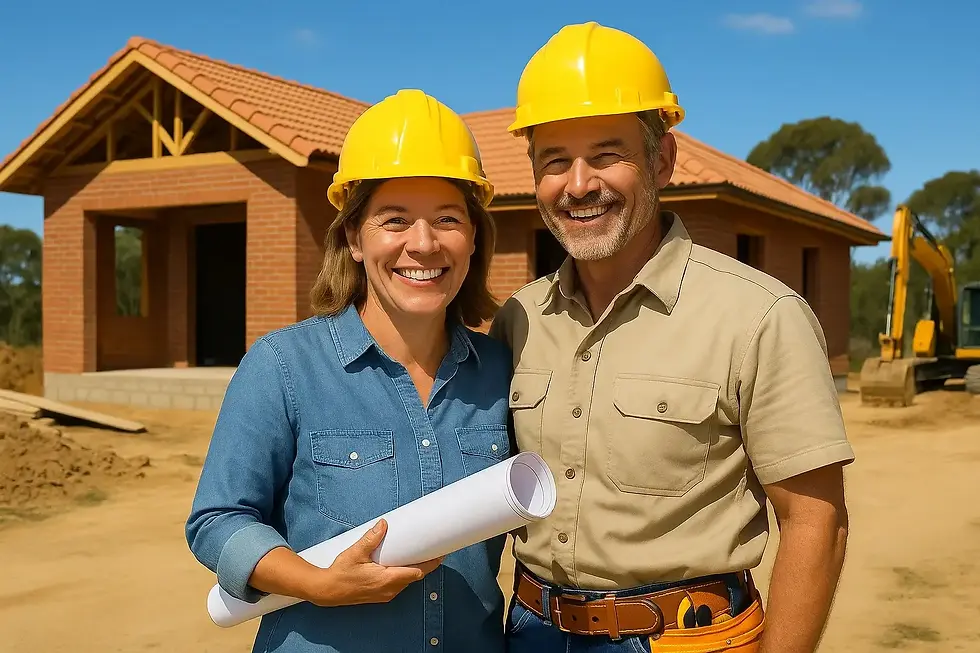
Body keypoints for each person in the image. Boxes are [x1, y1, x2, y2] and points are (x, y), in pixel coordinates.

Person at [489, 22, 853, 653]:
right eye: (554, 161)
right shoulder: (517, 319)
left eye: (607, 155)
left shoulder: (760, 316)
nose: (578, 185)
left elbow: (815, 520)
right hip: (530, 632)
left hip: (687, 639)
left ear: (661, 160)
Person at [185, 89, 515, 653]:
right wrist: (317, 584)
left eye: (447, 219)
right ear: (354, 239)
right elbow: (217, 520)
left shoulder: (501, 373)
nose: (424, 243)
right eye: (394, 220)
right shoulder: (284, 367)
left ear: (474, 237)